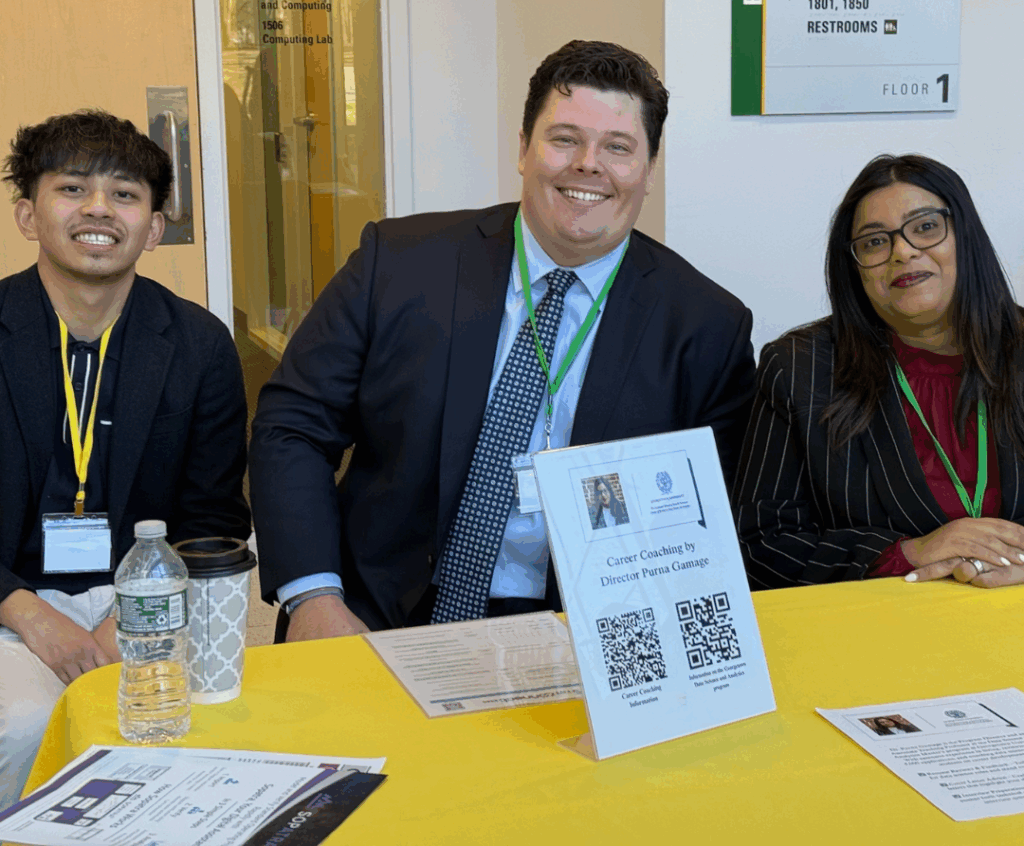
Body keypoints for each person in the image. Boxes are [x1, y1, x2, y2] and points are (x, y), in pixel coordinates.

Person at [250, 39, 756, 640]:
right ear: (523, 149)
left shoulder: (706, 326)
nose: (588, 164)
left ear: (648, 169)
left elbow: (707, 526)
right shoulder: (399, 264)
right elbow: (294, 425)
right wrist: (313, 597)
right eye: (564, 139)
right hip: (376, 614)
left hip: (585, 634)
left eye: (618, 147)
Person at [0, 110, 250, 809]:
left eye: (125, 194)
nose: (99, 209)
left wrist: (133, 616)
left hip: (152, 594)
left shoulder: (200, 345)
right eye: (72, 188)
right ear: (28, 215)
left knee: (186, 736)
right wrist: (26, 612)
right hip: (11, 598)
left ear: (154, 227)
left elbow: (214, 516)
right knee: (25, 728)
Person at [733, 154, 1024, 590]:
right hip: (874, 625)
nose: (902, 252)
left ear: (967, 236)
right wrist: (905, 553)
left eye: (926, 227)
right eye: (874, 242)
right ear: (855, 269)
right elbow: (759, 546)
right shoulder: (800, 369)